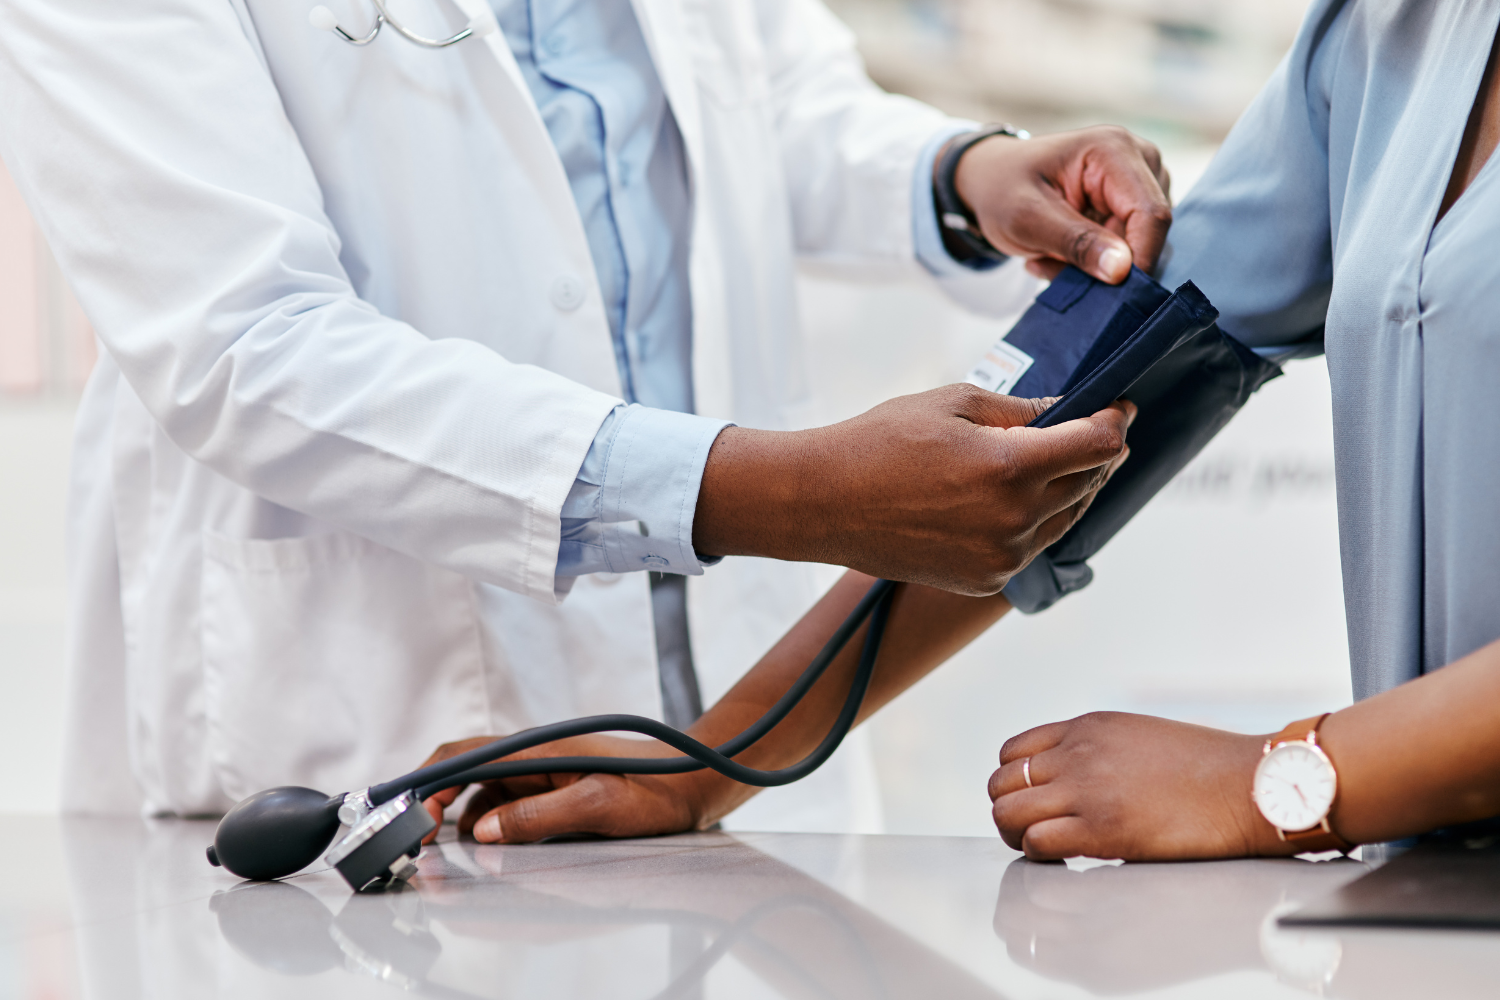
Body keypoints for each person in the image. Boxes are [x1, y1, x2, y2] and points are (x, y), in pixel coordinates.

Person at [0, 0, 1169, 823]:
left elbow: (771, 97)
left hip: (718, 713)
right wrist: (784, 491)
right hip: (377, 711)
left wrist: (953, 173)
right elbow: (245, 344)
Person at [986, 0, 1500, 861]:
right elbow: (1061, 407)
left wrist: (1265, 784)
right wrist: (732, 753)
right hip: (1420, 921)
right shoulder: (1385, 31)